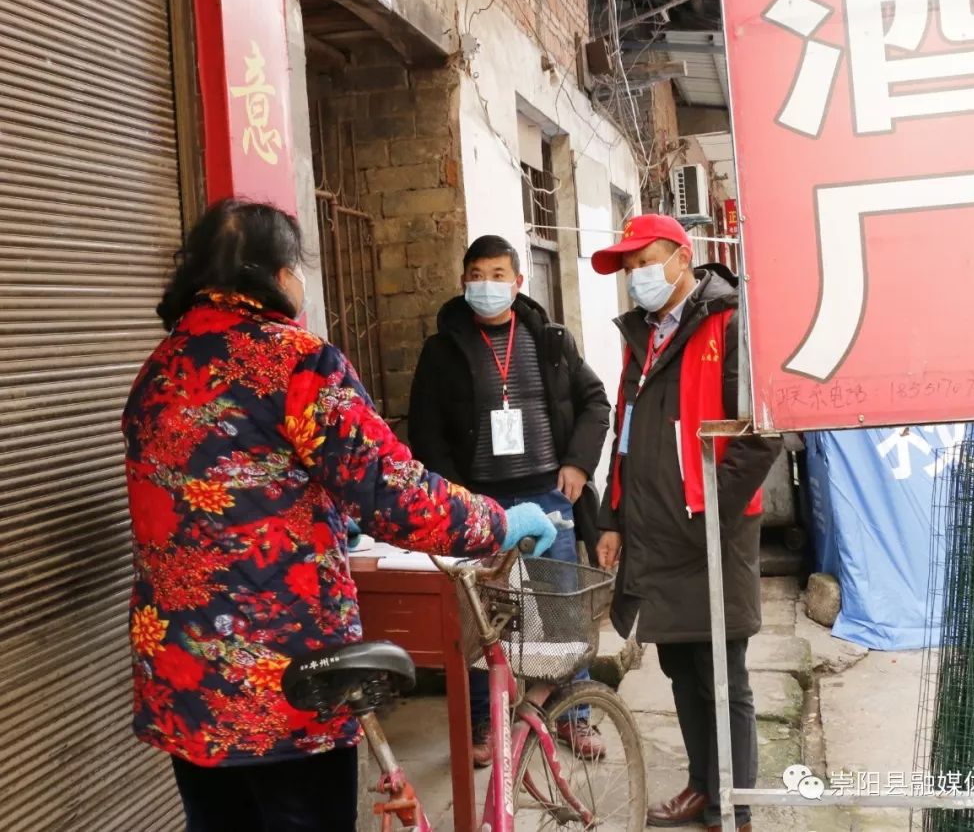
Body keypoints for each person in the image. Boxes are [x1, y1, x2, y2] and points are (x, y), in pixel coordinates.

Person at [122, 201, 557, 832]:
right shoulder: (295, 362)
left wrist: (317, 509)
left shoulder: (159, 371)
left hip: (184, 679)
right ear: (277, 274)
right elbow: (395, 495)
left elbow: (223, 487)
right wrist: (499, 523)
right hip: (286, 683)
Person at [590, 214, 780, 832]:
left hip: (711, 529)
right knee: (678, 665)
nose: (636, 276)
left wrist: (712, 513)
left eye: (645, 261)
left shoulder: (729, 322)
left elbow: (762, 432)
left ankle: (735, 805)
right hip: (653, 528)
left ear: (681, 256)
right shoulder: (640, 336)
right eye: (628, 267)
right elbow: (624, 433)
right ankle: (703, 786)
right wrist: (612, 516)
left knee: (721, 673)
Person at [408, 234, 611, 767]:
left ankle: (572, 712)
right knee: (481, 618)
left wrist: (577, 464)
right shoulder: (442, 351)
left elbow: (595, 402)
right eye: (477, 275)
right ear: (463, 282)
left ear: (518, 282)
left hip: (548, 496)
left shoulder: (550, 340)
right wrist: (458, 497)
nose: (487, 285)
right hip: (481, 507)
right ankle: (485, 719)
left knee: (559, 608)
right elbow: (426, 433)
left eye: (498, 275)